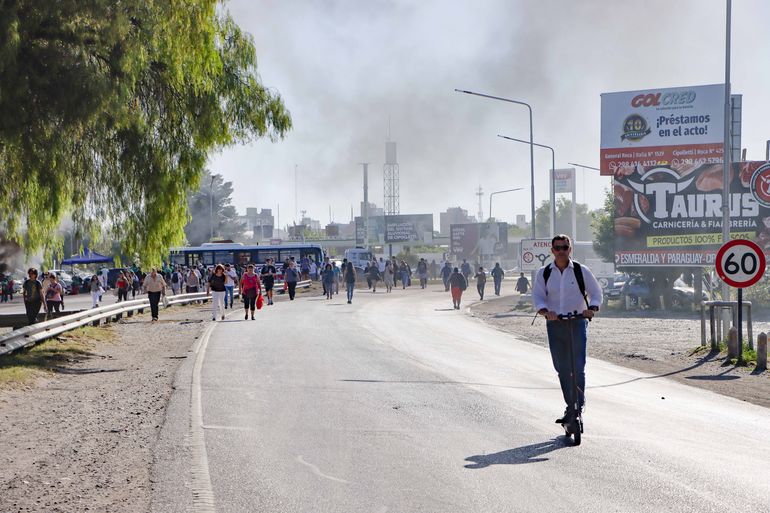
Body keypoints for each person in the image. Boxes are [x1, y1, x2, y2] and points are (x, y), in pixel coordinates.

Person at [532, 234, 603, 426]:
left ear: (570, 249)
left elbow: (596, 293)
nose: (561, 251)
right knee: (562, 368)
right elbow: (538, 297)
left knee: (578, 367)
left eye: (565, 247)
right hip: (555, 324)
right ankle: (570, 406)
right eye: (558, 248)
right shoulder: (544, 273)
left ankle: (578, 407)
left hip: (578, 323)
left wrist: (592, 308)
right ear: (552, 250)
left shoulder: (581, 270)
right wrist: (546, 311)